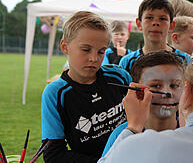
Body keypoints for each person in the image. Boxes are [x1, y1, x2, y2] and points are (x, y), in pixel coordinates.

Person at [41, 11, 132, 163]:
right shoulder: (55, 93)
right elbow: (53, 154)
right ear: (65, 46)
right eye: (86, 49)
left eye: (101, 51)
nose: (94, 58)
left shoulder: (119, 76)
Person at [100, 50, 184, 157]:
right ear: (137, 90)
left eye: (175, 85)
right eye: (156, 85)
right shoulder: (121, 133)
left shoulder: (191, 132)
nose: (167, 93)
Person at [119, 0, 191, 73]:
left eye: (162, 19)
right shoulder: (127, 62)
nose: (156, 23)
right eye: (149, 18)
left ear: (171, 25)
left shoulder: (186, 61)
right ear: (139, 24)